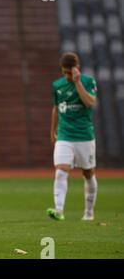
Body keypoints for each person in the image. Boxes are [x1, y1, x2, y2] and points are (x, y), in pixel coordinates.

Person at [47, 52, 98, 221]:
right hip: (65, 135)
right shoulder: (57, 85)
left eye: (69, 72)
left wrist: (77, 83)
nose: (67, 76)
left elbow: (90, 102)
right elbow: (56, 108)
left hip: (84, 135)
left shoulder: (88, 81)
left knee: (88, 173)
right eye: (64, 73)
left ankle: (89, 213)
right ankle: (59, 210)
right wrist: (52, 130)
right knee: (61, 171)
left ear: (77, 69)